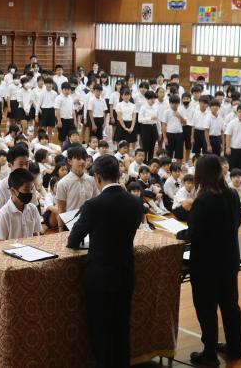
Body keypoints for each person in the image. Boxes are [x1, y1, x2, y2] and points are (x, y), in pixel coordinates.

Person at [66, 155, 143, 368]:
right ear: (118, 174)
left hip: (100, 278)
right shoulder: (135, 202)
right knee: (122, 329)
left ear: (97, 177)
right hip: (125, 273)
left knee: (101, 332)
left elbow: (73, 240)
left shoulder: (93, 205)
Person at [181, 154, 241, 365]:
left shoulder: (203, 201)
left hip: (206, 264)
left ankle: (209, 354)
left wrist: (182, 232)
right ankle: (235, 348)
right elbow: (237, 222)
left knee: (206, 308)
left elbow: (195, 233)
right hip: (229, 259)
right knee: (230, 305)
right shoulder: (232, 194)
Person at [56, 144, 99, 230]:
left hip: (90, 223)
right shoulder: (63, 183)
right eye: (78, 159)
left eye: (84, 159)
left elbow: (96, 203)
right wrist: (60, 229)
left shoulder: (92, 180)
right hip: (71, 225)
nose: (82, 162)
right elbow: (61, 209)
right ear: (69, 161)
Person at [0, 168, 42, 239]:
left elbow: (36, 234)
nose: (30, 193)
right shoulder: (4, 214)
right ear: (13, 191)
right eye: (26, 189)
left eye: (31, 189)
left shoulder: (33, 209)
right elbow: (1, 242)